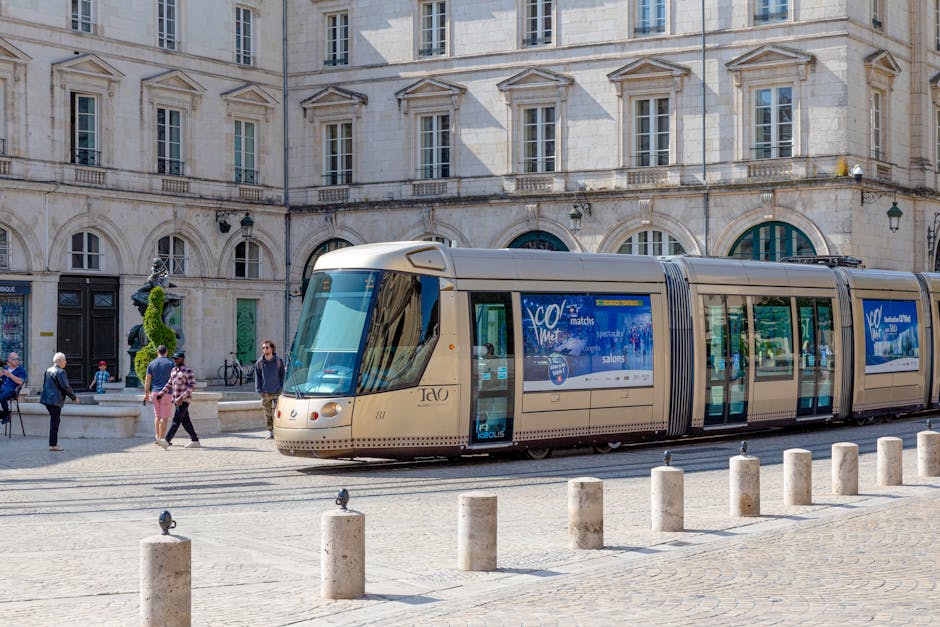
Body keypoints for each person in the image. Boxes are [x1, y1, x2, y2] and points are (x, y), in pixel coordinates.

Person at [155, 351, 200, 449]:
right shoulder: (173, 370)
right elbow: (169, 384)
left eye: (176, 358)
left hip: (184, 400)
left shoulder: (187, 371)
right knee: (185, 421)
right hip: (176, 400)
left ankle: (167, 440)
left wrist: (182, 397)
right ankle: (195, 440)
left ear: (182, 359)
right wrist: (161, 393)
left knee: (176, 420)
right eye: (174, 359)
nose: (175, 360)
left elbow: (192, 386)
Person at [39, 352, 79, 451]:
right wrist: (74, 397)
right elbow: (65, 386)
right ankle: (53, 444)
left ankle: (53, 443)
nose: (66, 362)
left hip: (47, 400)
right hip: (55, 400)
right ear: (60, 361)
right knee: (55, 422)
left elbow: (44, 385)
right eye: (64, 360)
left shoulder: (48, 370)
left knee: (55, 420)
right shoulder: (61, 372)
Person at [254, 339, 285, 439]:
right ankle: (271, 432)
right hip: (265, 392)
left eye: (267, 347)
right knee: (267, 414)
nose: (265, 349)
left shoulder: (278, 361)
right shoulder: (259, 362)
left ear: (272, 349)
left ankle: (278, 431)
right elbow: (257, 377)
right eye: (263, 348)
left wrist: (281, 388)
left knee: (278, 413)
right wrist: (259, 389)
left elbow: (282, 376)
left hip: (277, 391)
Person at [143, 345, 175, 443]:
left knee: (157, 416)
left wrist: (146, 393)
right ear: (166, 352)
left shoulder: (151, 364)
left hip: (155, 392)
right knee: (164, 417)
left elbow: (147, 380)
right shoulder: (170, 363)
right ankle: (162, 438)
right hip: (167, 393)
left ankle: (157, 437)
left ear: (157, 352)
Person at [0, 352, 27, 425]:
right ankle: (4, 414)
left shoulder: (21, 370)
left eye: (18, 359)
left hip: (12, 390)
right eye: (14, 359)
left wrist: (10, 374)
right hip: (2, 389)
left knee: (2, 396)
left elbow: (20, 382)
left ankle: (6, 414)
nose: (17, 361)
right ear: (9, 359)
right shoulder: (5, 368)